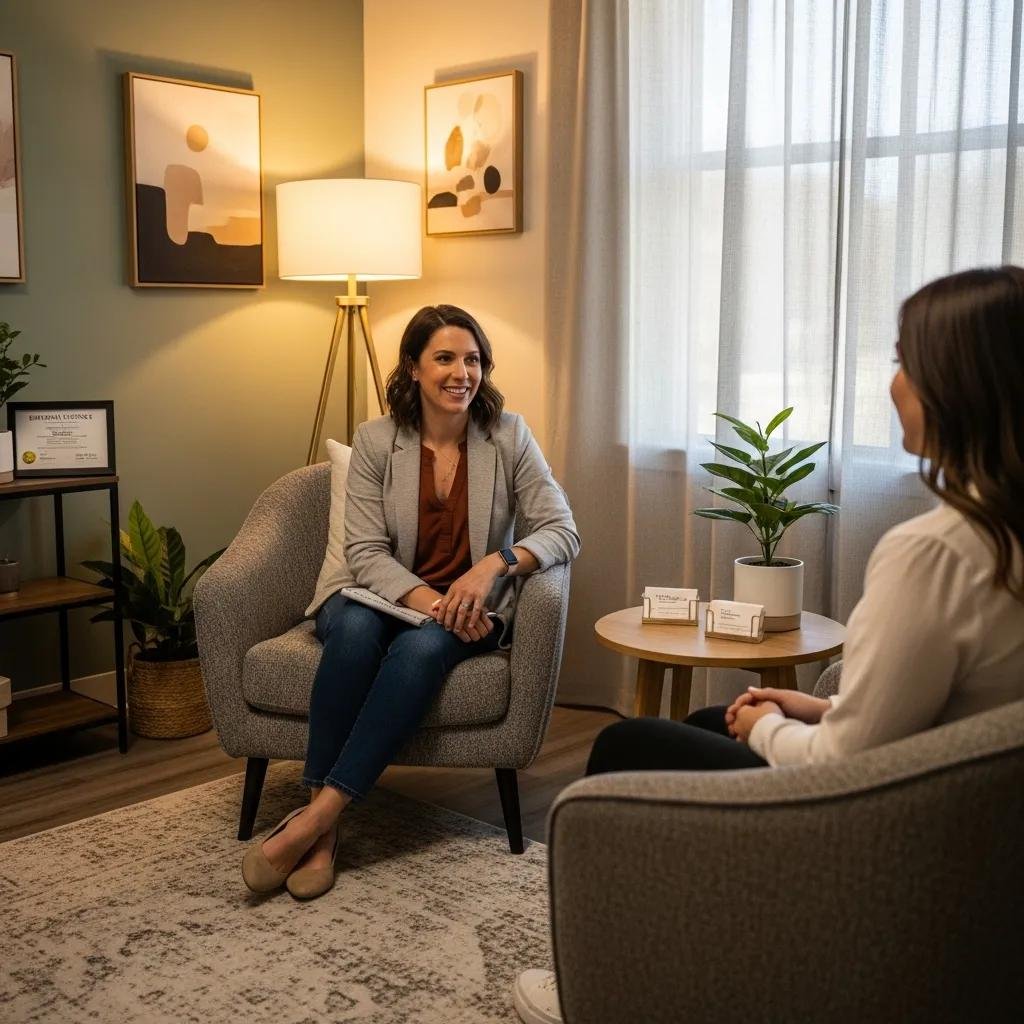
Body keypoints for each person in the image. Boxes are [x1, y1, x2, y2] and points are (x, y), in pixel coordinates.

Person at [513, 265, 1024, 1023]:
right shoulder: (1005, 531)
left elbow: (847, 768)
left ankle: (606, 985)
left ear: (954, 385)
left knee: (627, 752)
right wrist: (819, 707)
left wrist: (772, 725)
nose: (894, 384)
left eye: (901, 362)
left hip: (881, 835)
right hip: (970, 823)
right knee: (691, 729)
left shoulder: (937, 551)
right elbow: (958, 707)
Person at [242, 304, 580, 899]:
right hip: (373, 594)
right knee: (350, 636)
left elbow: (561, 530)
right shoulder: (378, 440)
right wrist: (433, 601)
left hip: (465, 609)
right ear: (414, 368)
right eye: (445, 358)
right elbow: (366, 552)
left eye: (472, 360)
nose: (461, 373)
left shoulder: (508, 436)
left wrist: (492, 567)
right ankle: (322, 834)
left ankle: (319, 818)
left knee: (420, 655)